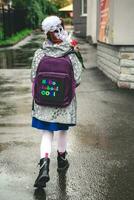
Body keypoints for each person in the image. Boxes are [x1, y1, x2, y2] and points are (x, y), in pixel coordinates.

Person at [31, 16, 83, 188]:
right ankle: (61, 160)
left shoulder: (40, 53)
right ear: (61, 29)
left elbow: (33, 77)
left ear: (46, 34)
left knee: (46, 133)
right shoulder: (71, 53)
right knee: (62, 131)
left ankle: (44, 166)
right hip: (64, 103)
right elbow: (77, 78)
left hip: (43, 102)